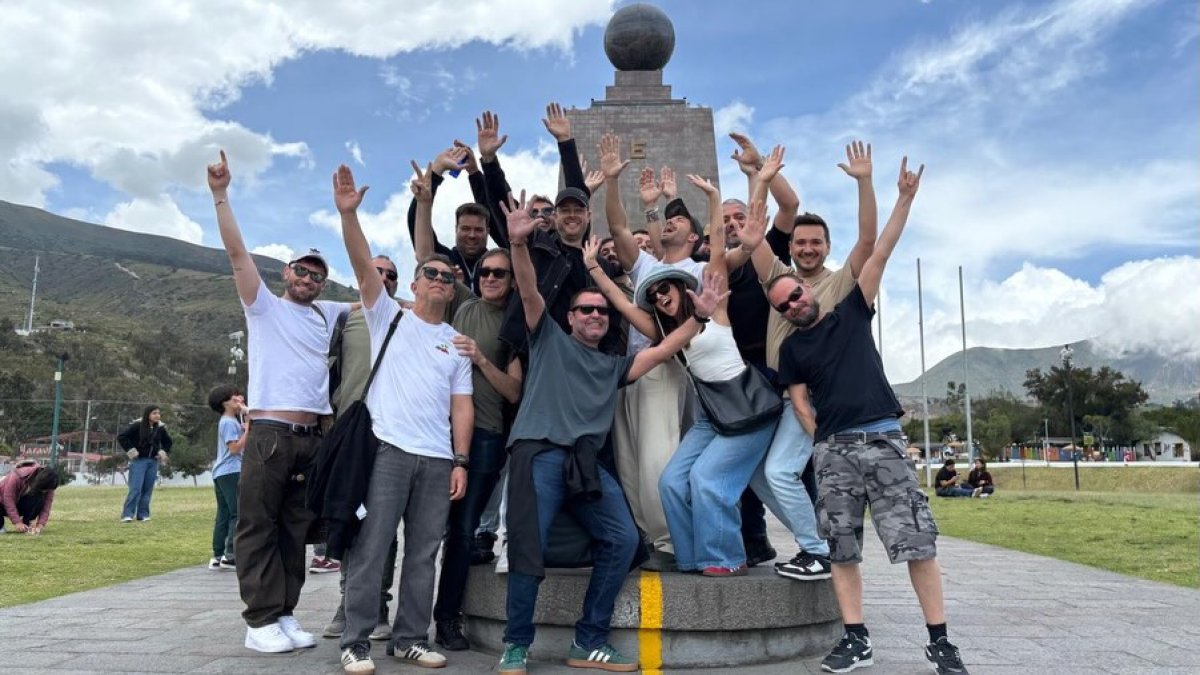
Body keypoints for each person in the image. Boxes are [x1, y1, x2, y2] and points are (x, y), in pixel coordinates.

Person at [496, 190, 723, 675]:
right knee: (527, 550)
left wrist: (699, 316)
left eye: (602, 311)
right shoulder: (547, 338)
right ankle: (516, 644)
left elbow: (662, 350)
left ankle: (589, 640)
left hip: (583, 464)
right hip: (537, 456)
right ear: (570, 317)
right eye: (585, 310)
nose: (596, 315)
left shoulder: (615, 366)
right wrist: (518, 246)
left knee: (622, 540)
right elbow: (531, 292)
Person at [775, 157, 968, 674]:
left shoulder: (852, 309)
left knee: (916, 543)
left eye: (795, 293)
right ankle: (856, 639)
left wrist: (897, 196)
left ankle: (940, 641)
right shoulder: (791, 351)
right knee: (841, 549)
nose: (793, 302)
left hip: (882, 439)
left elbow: (879, 247)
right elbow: (798, 403)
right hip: (834, 451)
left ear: (808, 289)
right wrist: (824, 442)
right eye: (783, 304)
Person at [584, 174, 776, 577]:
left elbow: (721, 251)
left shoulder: (713, 306)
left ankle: (725, 556)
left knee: (708, 480)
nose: (659, 295)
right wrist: (595, 270)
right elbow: (621, 301)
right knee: (670, 481)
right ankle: (689, 556)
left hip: (743, 403)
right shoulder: (664, 331)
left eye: (666, 288)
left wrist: (712, 197)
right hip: (710, 411)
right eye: (653, 294)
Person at [208, 150, 353, 654]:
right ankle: (259, 618)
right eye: (302, 270)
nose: (309, 279)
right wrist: (221, 195)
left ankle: (285, 613)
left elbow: (379, 303)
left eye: (317, 275)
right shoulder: (263, 306)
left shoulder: (327, 313)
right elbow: (238, 255)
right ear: (287, 272)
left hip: (312, 438)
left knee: (296, 529)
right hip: (269, 434)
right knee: (258, 525)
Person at [331, 165, 473, 675]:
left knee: (423, 554)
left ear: (454, 291)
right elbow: (363, 266)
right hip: (388, 451)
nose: (439, 280)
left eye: (448, 277)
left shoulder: (456, 344)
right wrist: (349, 216)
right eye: (431, 274)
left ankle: (411, 637)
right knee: (372, 549)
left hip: (437, 460)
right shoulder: (388, 316)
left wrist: (461, 460)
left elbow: (463, 406)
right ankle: (356, 640)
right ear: (414, 283)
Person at [739, 143, 877, 583]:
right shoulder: (778, 280)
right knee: (760, 474)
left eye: (816, 241)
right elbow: (754, 234)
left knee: (779, 470)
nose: (808, 248)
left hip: (812, 398)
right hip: (780, 395)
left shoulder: (839, 284)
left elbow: (869, 242)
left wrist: (863, 183)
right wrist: (759, 177)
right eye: (801, 242)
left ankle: (818, 550)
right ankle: (816, 539)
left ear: (827, 245)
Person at [434, 247, 523, 651]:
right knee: (424, 531)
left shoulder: (515, 322)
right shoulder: (463, 307)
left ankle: (447, 617)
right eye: (484, 271)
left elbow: (514, 390)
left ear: (511, 280)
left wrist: (483, 359)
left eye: (499, 273)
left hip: (486, 435)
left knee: (462, 530)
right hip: (436, 432)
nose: (490, 277)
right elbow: (425, 261)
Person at [319, 255, 405, 645]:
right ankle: (347, 601)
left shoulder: (407, 321)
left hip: (392, 435)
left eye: (391, 275)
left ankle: (379, 604)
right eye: (377, 272)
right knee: (346, 517)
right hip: (348, 434)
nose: (383, 279)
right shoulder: (343, 321)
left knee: (383, 526)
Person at [207, 385, 247, 570]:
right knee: (236, 512)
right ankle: (230, 555)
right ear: (224, 403)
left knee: (223, 514)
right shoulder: (229, 422)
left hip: (221, 472)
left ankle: (217, 554)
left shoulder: (228, 421)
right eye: (234, 399)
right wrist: (250, 429)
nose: (239, 400)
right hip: (232, 470)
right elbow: (234, 448)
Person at [117, 405, 172, 522]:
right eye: (154, 413)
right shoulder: (137, 426)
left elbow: (168, 442)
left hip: (153, 462)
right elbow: (122, 437)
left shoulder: (160, 428)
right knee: (136, 488)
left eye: (158, 413)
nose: (157, 415)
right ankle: (127, 514)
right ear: (148, 414)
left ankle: (143, 515)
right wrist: (131, 451)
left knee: (147, 489)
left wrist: (162, 452)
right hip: (139, 461)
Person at [0, 461, 59, 535]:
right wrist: (17, 522)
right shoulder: (17, 476)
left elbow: (46, 506)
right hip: (2, 501)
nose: (45, 492)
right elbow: (8, 500)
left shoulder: (49, 484)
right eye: (43, 490)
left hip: (19, 504)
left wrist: (40, 525)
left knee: (38, 498)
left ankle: (27, 525)